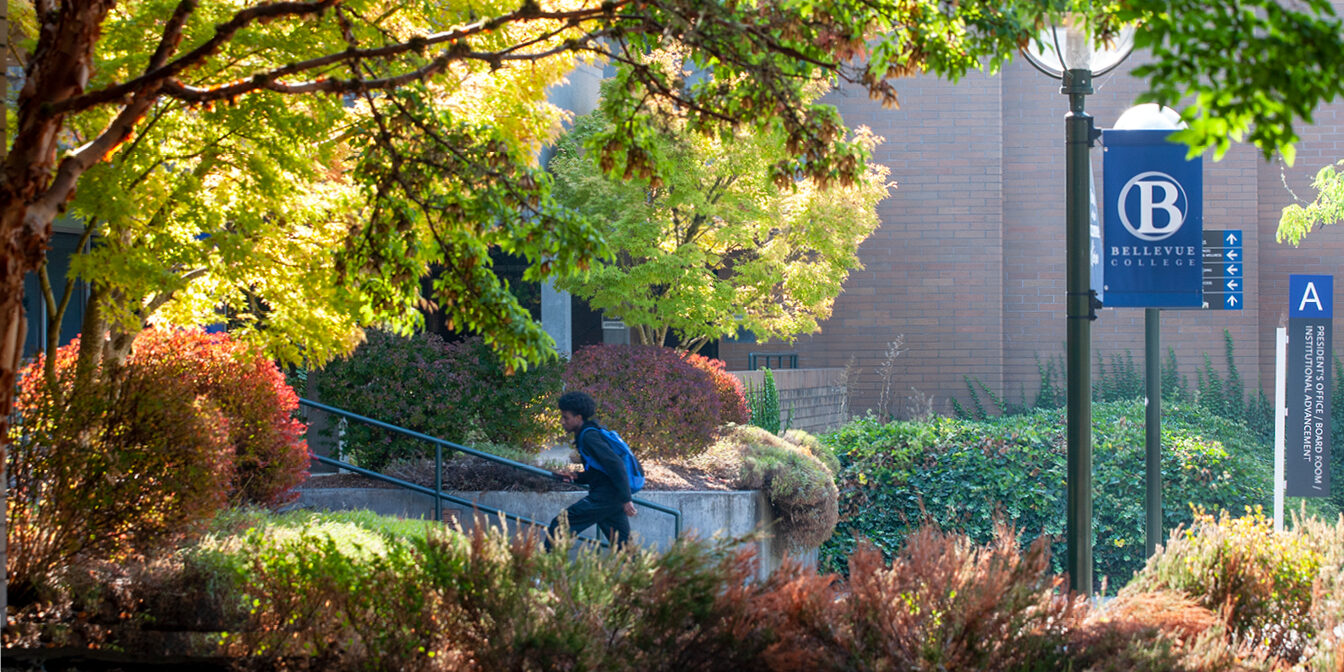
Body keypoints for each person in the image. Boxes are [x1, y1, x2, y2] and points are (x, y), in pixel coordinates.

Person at [546, 391, 636, 550]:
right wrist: (575, 477)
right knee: (624, 547)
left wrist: (626, 498)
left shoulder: (589, 436)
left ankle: (542, 572)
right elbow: (597, 472)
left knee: (560, 526)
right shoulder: (586, 434)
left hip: (606, 497)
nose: (562, 422)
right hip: (610, 497)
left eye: (566, 417)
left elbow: (615, 464)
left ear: (578, 418)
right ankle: (643, 575)